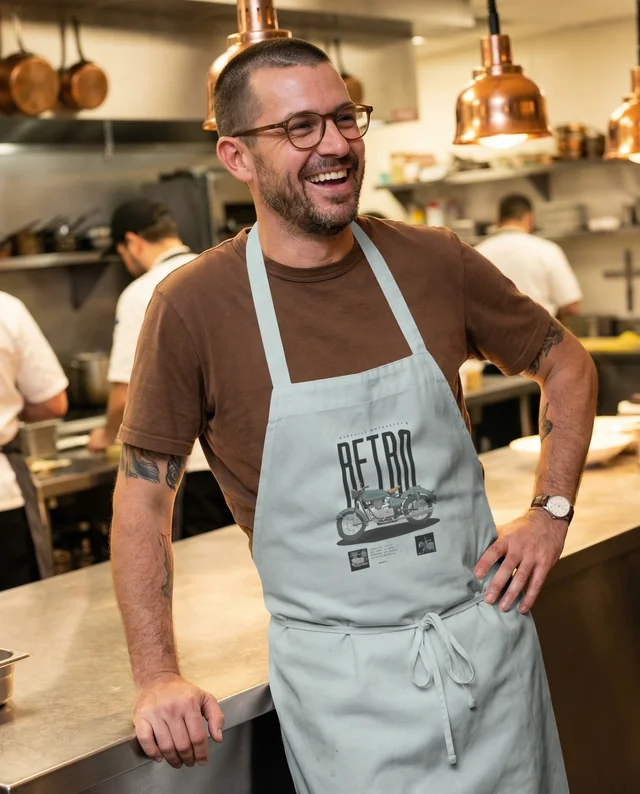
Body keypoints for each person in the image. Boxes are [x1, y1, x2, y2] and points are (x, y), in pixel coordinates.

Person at [110, 39, 597, 793]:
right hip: (342, 695)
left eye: (344, 118)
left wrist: (551, 509)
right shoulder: (193, 306)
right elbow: (143, 498)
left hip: (486, 661)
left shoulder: (433, 261)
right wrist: (156, 674)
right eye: (300, 127)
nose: (335, 144)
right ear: (237, 157)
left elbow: (566, 361)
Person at [88, 198, 232, 536]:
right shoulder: (225, 274)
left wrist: (104, 436)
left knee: (198, 566)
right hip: (243, 460)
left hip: (189, 467)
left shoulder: (142, 293)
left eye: (121, 253)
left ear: (133, 242)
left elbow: (125, 395)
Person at [0, 291, 68, 591]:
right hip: (3, 497)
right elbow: (53, 402)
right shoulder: (6, 310)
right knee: (16, 609)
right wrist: (10, 409)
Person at [475, 193, 583, 319]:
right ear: (529, 218)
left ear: (497, 221)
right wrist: (552, 320)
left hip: (490, 330)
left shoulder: (478, 253)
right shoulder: (547, 250)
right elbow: (571, 306)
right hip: (539, 328)